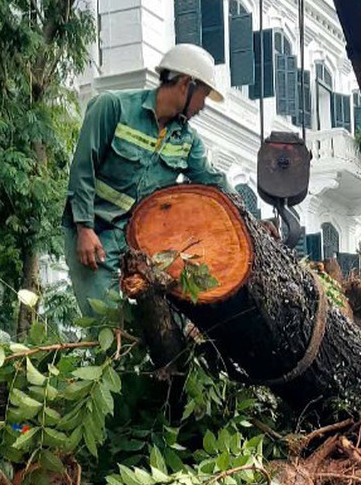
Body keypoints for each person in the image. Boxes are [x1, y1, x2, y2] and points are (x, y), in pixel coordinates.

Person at [62, 44, 236, 317]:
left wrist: (249, 221)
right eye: (202, 96)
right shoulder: (112, 108)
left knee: (170, 319)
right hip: (94, 234)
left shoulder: (187, 140)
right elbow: (83, 170)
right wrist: (84, 229)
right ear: (184, 84)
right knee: (107, 323)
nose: (202, 107)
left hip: (142, 240)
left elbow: (213, 181)